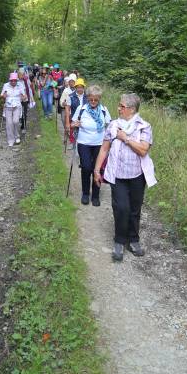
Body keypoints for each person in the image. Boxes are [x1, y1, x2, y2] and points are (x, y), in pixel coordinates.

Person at [93, 92, 156, 261]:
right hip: (118, 175)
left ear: (132, 109)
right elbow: (104, 149)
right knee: (121, 208)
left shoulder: (144, 126)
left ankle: (133, 240)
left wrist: (125, 138)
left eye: (122, 106)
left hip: (137, 176)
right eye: (119, 105)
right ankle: (119, 241)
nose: (119, 108)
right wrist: (97, 170)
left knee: (135, 209)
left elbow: (143, 150)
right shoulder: (113, 125)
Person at [71, 85, 111, 206]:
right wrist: (75, 124)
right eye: (91, 99)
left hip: (99, 144)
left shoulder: (104, 110)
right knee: (86, 167)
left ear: (99, 99)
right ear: (88, 98)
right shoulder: (81, 108)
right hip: (84, 143)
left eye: (96, 100)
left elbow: (109, 125)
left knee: (97, 169)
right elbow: (73, 123)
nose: (93, 102)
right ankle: (85, 193)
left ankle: (95, 195)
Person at [0, 72, 27, 147]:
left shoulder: (20, 85)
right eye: (12, 80)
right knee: (9, 123)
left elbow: (24, 96)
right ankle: (11, 140)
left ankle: (17, 136)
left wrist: (23, 97)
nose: (13, 82)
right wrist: (3, 96)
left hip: (17, 106)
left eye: (15, 80)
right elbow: (1, 95)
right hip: (8, 107)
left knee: (16, 121)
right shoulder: (6, 85)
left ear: (17, 80)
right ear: (10, 80)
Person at [17, 67, 35, 133]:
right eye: (20, 74)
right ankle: (19, 121)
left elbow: (29, 89)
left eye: (23, 74)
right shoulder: (14, 80)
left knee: (24, 112)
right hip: (17, 99)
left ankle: (23, 126)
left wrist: (32, 98)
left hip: (25, 98)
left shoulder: (26, 80)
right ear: (18, 74)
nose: (22, 75)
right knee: (19, 112)